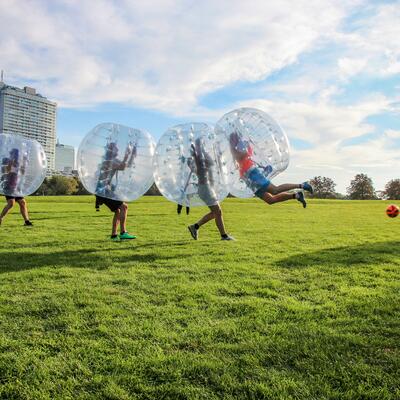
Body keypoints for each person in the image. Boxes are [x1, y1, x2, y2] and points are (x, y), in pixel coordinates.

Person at [229, 132, 313, 206]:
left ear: (235, 139)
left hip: (252, 174)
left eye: (231, 139)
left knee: (275, 190)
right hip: (248, 178)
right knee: (270, 200)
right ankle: (297, 195)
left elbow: (242, 156)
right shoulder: (239, 147)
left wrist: (231, 147)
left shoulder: (242, 146)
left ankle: (303, 185)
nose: (230, 141)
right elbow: (242, 159)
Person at [187, 138, 234, 241]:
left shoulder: (199, 157)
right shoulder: (199, 158)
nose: (203, 146)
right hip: (205, 188)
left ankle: (194, 227)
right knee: (218, 212)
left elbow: (209, 164)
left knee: (215, 212)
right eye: (201, 144)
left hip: (206, 187)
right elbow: (209, 163)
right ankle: (224, 236)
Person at [95, 141, 136, 241]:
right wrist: (127, 154)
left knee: (118, 210)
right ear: (111, 150)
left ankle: (114, 235)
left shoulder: (111, 160)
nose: (118, 150)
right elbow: (122, 166)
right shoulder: (109, 161)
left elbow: (127, 166)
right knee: (124, 207)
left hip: (103, 191)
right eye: (115, 148)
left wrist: (132, 155)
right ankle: (123, 233)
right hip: (103, 191)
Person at [0, 148, 33, 226]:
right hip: (8, 186)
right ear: (11, 154)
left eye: (17, 154)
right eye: (14, 154)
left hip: (16, 187)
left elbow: (22, 172)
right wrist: (11, 161)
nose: (16, 156)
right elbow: (6, 171)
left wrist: (24, 162)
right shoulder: (7, 161)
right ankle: (0, 218)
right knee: (11, 203)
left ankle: (27, 221)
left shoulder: (18, 164)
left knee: (23, 203)